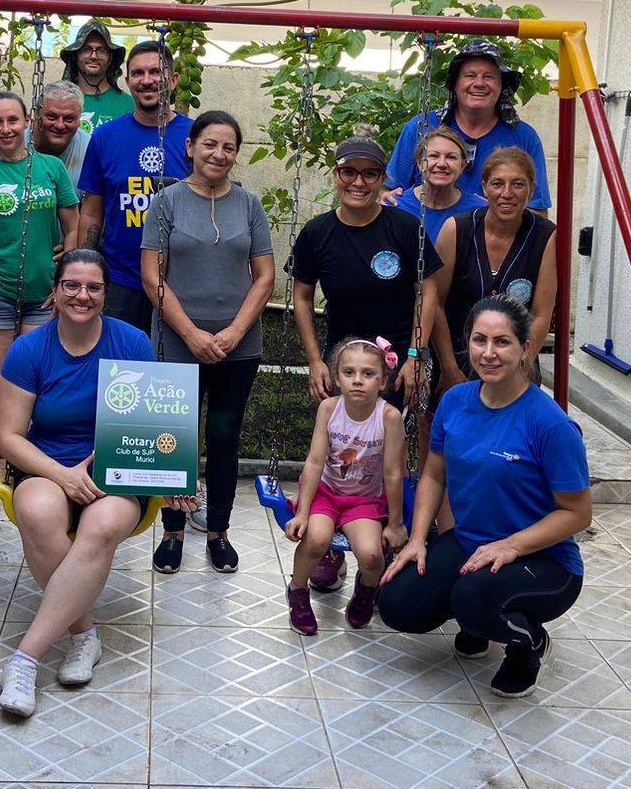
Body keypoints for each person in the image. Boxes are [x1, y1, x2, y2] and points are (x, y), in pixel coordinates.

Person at [0, 250, 196, 717]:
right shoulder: (29, 349)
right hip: (48, 465)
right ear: (56, 291)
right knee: (39, 513)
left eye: (93, 287)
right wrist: (62, 475)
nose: (82, 295)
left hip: (116, 468)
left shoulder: (132, 343)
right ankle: (83, 635)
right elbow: (8, 437)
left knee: (102, 527)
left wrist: (174, 476)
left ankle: (25, 658)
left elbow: (154, 425)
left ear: (106, 293)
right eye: (72, 285)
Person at [379, 295, 591, 698]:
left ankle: (526, 642)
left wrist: (512, 545)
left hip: (543, 561)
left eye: (503, 342)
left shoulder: (550, 425)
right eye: (480, 340)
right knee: (397, 603)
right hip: (471, 543)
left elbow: (578, 513)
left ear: (526, 348)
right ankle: (477, 620)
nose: (489, 353)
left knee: (471, 599)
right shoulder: (456, 401)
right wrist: (418, 540)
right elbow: (434, 475)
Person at [291, 133, 439, 593]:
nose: (358, 182)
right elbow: (300, 295)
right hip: (344, 364)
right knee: (338, 451)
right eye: (349, 172)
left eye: (370, 173)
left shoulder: (402, 228)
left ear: (381, 179)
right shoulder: (318, 232)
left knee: (386, 458)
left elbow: (427, 290)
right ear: (336, 175)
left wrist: (416, 353)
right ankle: (331, 550)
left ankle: (383, 550)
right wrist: (316, 359)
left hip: (394, 362)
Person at [139, 110, 276, 575]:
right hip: (178, 343)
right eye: (210, 144)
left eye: (229, 147)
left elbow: (264, 277)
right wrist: (192, 334)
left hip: (239, 346)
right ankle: (173, 531)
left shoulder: (250, 205)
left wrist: (235, 331)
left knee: (222, 436)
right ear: (191, 147)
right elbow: (151, 276)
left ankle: (218, 531)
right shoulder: (166, 202)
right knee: (174, 441)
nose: (219, 154)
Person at [0, 92, 79, 426]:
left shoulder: (51, 168)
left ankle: (27, 453)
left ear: (27, 122)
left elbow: (73, 223)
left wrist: (66, 268)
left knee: (33, 381)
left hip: (43, 295)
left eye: (13, 120)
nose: (6, 129)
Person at [283, 338, 406, 636]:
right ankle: (298, 592)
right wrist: (303, 512)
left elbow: (392, 472)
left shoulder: (388, 417)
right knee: (316, 540)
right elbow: (314, 462)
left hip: (364, 501)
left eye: (368, 374)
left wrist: (395, 523)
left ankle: (365, 592)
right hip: (326, 493)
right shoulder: (329, 409)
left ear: (383, 381)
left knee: (372, 555)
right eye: (349, 373)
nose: (358, 381)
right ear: (337, 378)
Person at [76, 41, 193, 332]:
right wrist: (84, 267)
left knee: (174, 374)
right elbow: (91, 213)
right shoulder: (106, 137)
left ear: (173, 80)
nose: (147, 80)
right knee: (119, 372)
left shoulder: (194, 136)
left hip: (180, 282)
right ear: (128, 82)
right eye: (138, 73)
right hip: (120, 283)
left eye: (156, 72)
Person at [433, 147, 556, 392]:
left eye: (518, 184)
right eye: (498, 184)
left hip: (517, 362)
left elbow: (541, 314)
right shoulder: (456, 230)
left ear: (532, 190)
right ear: (485, 187)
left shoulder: (547, 237)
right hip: (458, 361)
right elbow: (435, 303)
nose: (507, 194)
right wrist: (448, 368)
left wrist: (520, 367)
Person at [384, 39, 550, 211]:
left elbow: (538, 211)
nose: (478, 83)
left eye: (489, 77)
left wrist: (497, 211)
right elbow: (389, 191)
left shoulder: (524, 137)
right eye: (470, 75)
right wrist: (383, 196)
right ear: (455, 84)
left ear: (502, 86)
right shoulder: (421, 126)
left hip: (491, 235)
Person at [0, 81, 92, 186]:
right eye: (51, 117)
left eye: (69, 119)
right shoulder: (6, 140)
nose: (60, 125)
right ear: (37, 115)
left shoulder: (89, 147)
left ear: (79, 120)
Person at [390, 125, 487, 243]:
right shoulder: (395, 206)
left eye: (451, 157)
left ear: (462, 166)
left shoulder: (479, 211)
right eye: (433, 156)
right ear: (420, 163)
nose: (441, 164)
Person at [58, 20, 133, 134]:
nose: (93, 56)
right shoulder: (59, 101)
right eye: (86, 49)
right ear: (75, 56)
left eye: (101, 50)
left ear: (110, 58)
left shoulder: (128, 104)